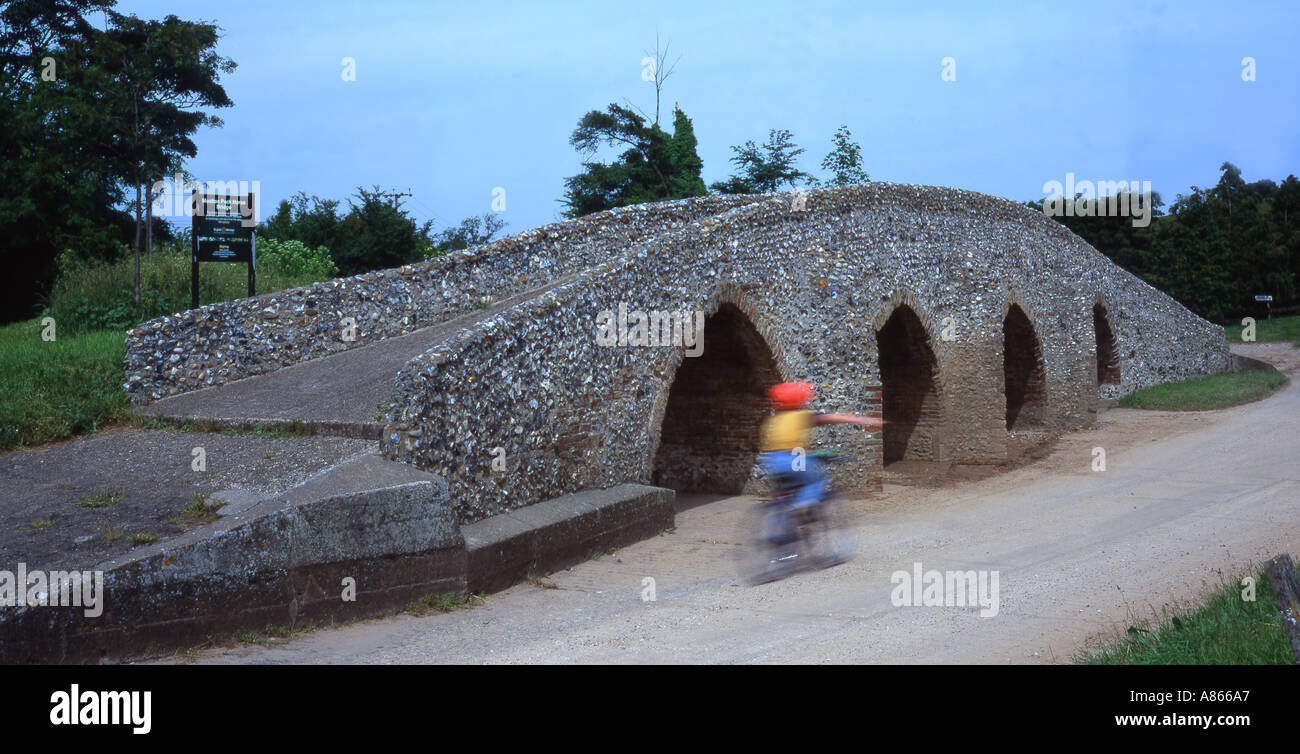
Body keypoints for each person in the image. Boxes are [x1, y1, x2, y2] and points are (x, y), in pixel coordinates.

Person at [757, 381, 884, 560]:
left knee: (785, 495)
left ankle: (783, 543)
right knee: (818, 478)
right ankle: (804, 504)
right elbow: (830, 418)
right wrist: (861, 419)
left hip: (773, 461)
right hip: (795, 458)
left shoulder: (773, 421)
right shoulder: (800, 416)